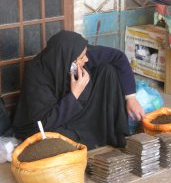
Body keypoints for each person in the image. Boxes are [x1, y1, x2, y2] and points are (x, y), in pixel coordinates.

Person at [12, 30, 145, 149]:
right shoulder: (37, 75)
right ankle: (90, 136)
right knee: (52, 139)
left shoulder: (78, 51)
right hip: (58, 119)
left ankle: (116, 133)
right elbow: (44, 124)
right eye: (81, 58)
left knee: (107, 70)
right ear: (67, 61)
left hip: (82, 109)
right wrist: (74, 94)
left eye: (85, 54)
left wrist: (131, 98)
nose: (86, 59)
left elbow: (118, 57)